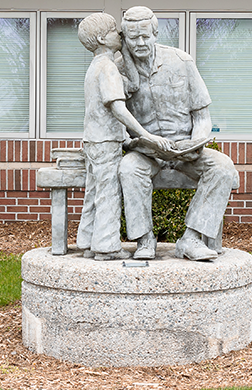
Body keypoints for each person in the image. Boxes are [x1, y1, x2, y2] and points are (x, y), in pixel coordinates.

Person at [118, 6, 239, 261]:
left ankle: (191, 238)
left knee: (223, 167)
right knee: (128, 169)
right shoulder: (117, 70)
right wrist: (135, 142)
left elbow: (202, 116)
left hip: (186, 148)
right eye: (133, 38)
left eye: (145, 36)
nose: (139, 43)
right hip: (146, 152)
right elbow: (116, 122)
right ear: (124, 38)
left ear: (155, 34)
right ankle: (144, 239)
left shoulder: (181, 62)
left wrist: (196, 141)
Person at [75, 12, 173, 260]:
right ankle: (106, 247)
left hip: (93, 140)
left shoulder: (97, 66)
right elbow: (118, 107)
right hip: (106, 140)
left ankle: (86, 242)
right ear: (101, 38)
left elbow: (133, 85)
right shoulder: (107, 67)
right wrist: (146, 134)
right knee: (108, 193)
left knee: (93, 192)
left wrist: (125, 54)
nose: (119, 34)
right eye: (113, 32)